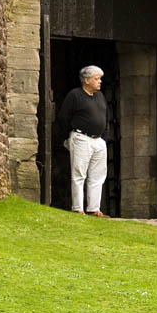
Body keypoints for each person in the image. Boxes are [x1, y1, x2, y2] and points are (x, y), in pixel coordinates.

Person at [56, 65, 109, 217]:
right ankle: (78, 208)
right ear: (86, 80)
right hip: (81, 138)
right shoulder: (75, 95)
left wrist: (104, 138)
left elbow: (105, 118)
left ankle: (94, 209)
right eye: (96, 79)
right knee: (79, 174)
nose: (100, 82)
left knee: (98, 176)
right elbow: (63, 118)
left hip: (98, 140)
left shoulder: (100, 96)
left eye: (100, 79)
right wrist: (68, 137)